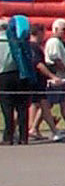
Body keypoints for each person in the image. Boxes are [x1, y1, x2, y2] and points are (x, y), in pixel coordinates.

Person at [0, 14, 27, 145]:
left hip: (3, 75)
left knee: (7, 107)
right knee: (22, 106)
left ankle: (9, 136)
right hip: (20, 74)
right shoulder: (18, 41)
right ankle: (23, 136)